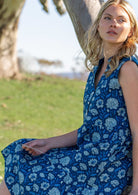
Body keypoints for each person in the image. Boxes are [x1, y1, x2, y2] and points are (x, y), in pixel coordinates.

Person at [0, 0, 138, 194]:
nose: (113, 23)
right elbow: (90, 129)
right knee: (22, 156)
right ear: (98, 25)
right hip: (88, 155)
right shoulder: (97, 70)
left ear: (131, 30)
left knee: (25, 175)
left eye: (121, 20)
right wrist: (49, 142)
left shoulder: (128, 68)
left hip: (109, 165)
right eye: (107, 18)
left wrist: (137, 187)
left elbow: (137, 130)